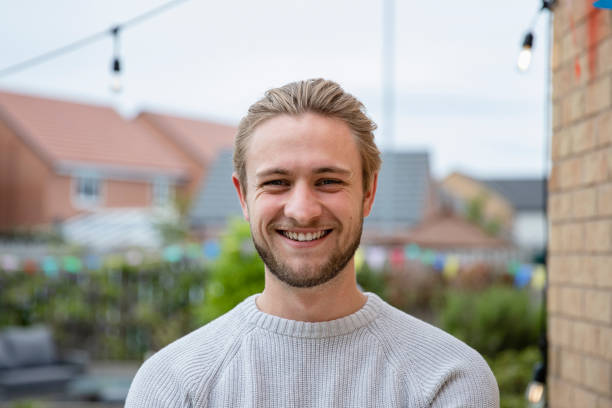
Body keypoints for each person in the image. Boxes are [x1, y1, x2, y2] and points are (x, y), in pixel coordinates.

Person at [125, 79, 499, 407]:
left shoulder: (449, 379)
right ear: (243, 197)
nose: (302, 211)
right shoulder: (172, 384)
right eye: (276, 182)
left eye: (328, 182)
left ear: (368, 192)